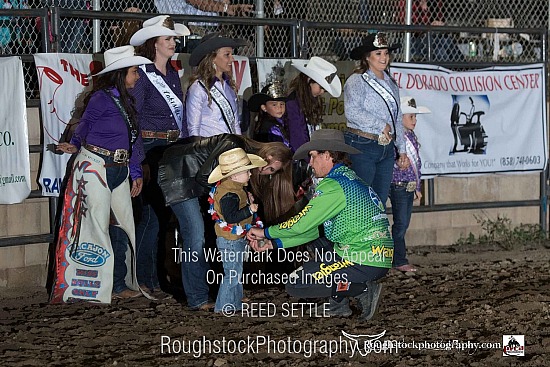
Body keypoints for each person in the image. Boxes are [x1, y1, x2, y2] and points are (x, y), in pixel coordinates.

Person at [247, 129, 394, 321]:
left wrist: (265, 232)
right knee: (319, 245)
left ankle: (362, 289)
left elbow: (301, 225)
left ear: (327, 155)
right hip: (374, 256)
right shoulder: (350, 179)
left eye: (312, 156)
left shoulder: (333, 186)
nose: (310, 162)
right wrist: (274, 243)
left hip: (363, 259)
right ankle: (339, 303)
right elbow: (314, 230)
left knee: (297, 283)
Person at [50, 45, 151, 303]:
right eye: (133, 71)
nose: (137, 75)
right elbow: (85, 124)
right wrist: (75, 142)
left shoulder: (126, 100)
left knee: (120, 226)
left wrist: (135, 170)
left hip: (118, 167)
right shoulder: (101, 99)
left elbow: (133, 138)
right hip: (97, 164)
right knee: (98, 225)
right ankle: (100, 287)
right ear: (120, 74)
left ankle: (115, 284)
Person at [148, 134, 294, 309]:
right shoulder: (234, 145)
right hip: (179, 175)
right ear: (268, 156)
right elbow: (204, 175)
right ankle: (198, 298)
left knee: (199, 235)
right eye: (269, 167)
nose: (265, 171)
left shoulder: (239, 152)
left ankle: (219, 294)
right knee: (195, 235)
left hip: (188, 176)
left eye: (270, 171)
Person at [124, 15, 190, 299]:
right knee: (151, 216)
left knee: (161, 217)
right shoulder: (142, 73)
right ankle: (145, 279)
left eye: (173, 39)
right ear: (155, 44)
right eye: (168, 39)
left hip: (171, 147)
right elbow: (134, 115)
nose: (173, 43)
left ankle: (153, 277)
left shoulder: (173, 74)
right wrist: (137, 155)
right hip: (150, 146)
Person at [344, 32, 409, 208]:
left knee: (379, 199)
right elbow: (352, 112)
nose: (384, 58)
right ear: (367, 57)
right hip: (362, 143)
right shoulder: (357, 80)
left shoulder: (391, 83)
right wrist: (381, 124)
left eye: (386, 53)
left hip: (386, 147)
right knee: (360, 198)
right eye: (378, 54)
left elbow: (397, 116)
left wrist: (401, 149)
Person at [207, 148, 266, 313]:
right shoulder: (230, 193)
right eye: (246, 171)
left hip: (233, 238)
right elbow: (231, 217)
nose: (250, 174)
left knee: (235, 271)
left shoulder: (234, 189)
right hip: (230, 240)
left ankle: (234, 303)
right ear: (234, 175)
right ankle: (224, 306)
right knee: (232, 273)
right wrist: (249, 210)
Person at [389, 96, 430, 273]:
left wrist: (417, 187)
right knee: (401, 223)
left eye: (415, 117)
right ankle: (399, 259)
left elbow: (416, 165)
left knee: (402, 224)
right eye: (411, 117)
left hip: (407, 185)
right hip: (398, 184)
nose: (414, 120)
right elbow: (389, 160)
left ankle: (396, 257)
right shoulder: (395, 138)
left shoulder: (410, 136)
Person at [186, 32, 247, 138]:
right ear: (212, 58)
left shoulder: (229, 86)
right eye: (227, 55)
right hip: (209, 148)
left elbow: (235, 124)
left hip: (230, 147)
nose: (232, 59)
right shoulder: (198, 88)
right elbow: (193, 129)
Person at [285, 56, 341, 152]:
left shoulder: (308, 101)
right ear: (308, 80)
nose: (322, 92)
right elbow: (297, 137)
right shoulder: (293, 103)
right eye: (321, 87)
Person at [153, 0, 253, 53]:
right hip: (188, 33)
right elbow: (197, 1)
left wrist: (228, 7)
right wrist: (227, 8)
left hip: (210, 31)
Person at [248, 81, 289, 147]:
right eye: (274, 105)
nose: (279, 108)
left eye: (282, 104)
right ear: (264, 107)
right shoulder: (271, 128)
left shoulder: (281, 122)